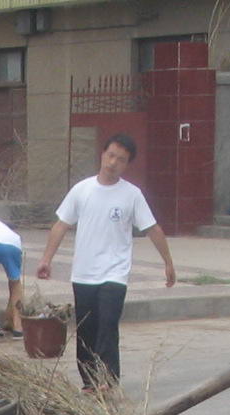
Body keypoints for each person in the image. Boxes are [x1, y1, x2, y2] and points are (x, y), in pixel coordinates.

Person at [36, 133, 176, 386]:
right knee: (86, 330)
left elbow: (152, 228)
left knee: (108, 325)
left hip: (115, 273)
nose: (113, 163)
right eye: (111, 156)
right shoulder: (82, 190)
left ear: (126, 165)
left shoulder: (132, 195)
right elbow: (61, 225)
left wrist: (168, 262)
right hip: (84, 273)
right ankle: (90, 382)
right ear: (102, 154)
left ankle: (108, 380)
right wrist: (46, 258)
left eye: (120, 160)